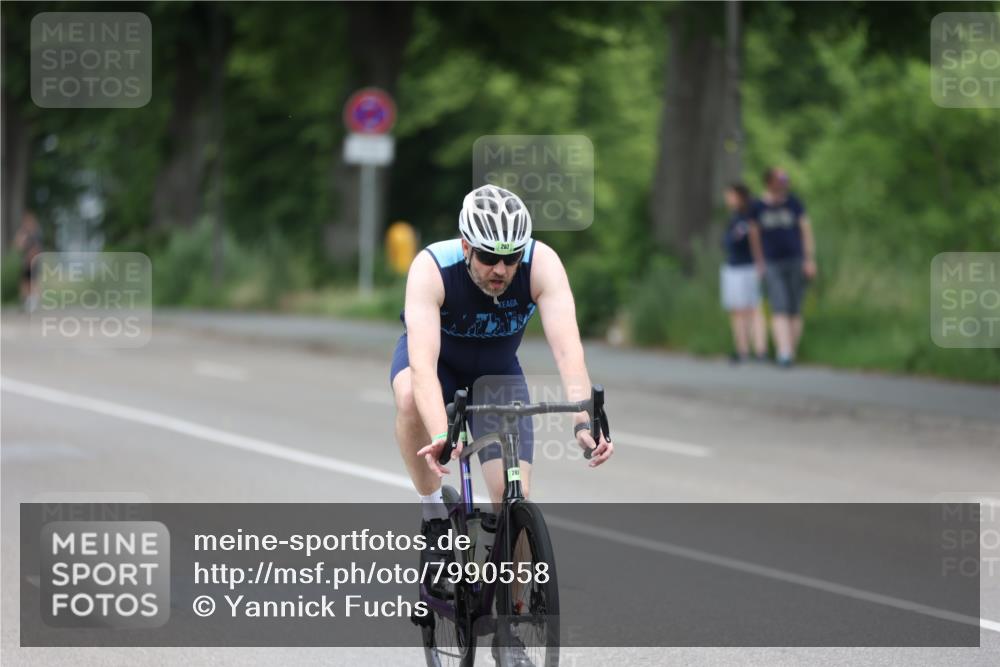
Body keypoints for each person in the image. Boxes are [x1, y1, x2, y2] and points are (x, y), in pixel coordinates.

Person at [390, 185, 614, 594]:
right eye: (489, 257)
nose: (501, 269)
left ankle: (516, 626)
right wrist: (442, 433)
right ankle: (435, 513)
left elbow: (567, 350)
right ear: (465, 247)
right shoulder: (432, 268)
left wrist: (584, 418)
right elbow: (421, 366)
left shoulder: (542, 264)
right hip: (436, 367)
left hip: (496, 375)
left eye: (510, 259)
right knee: (408, 398)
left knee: (514, 499)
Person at [748, 168, 816, 368]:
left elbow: (805, 230)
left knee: (795, 308)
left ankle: (790, 351)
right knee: (779, 306)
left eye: (784, 181)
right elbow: (754, 235)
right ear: (768, 182)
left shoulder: (794, 203)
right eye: (779, 181)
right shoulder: (758, 207)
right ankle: (783, 352)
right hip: (772, 262)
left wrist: (809, 259)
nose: (782, 185)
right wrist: (758, 261)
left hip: (796, 260)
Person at [720, 183, 768, 363]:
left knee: (754, 308)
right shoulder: (734, 218)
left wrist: (759, 263)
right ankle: (742, 349)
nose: (728, 199)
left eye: (730, 195)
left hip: (748, 266)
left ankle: (760, 349)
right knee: (737, 310)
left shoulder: (750, 217)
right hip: (733, 266)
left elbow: (755, 240)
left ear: (740, 196)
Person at [13, 210, 43, 311]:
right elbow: (18, 246)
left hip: (33, 261)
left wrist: (30, 257)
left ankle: (34, 302)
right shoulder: (24, 234)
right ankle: (26, 302)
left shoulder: (36, 233)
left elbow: (37, 249)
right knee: (25, 282)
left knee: (33, 281)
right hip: (26, 262)